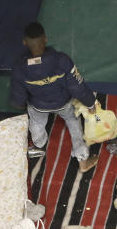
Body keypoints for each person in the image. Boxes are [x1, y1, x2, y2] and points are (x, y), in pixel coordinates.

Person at [9, 22, 96, 163]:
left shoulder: (19, 68)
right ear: (45, 39)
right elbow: (77, 87)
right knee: (73, 121)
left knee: (36, 124)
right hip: (63, 103)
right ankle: (81, 154)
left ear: (25, 42)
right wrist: (90, 103)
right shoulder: (62, 61)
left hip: (38, 106)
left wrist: (19, 105)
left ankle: (39, 145)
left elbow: (18, 93)